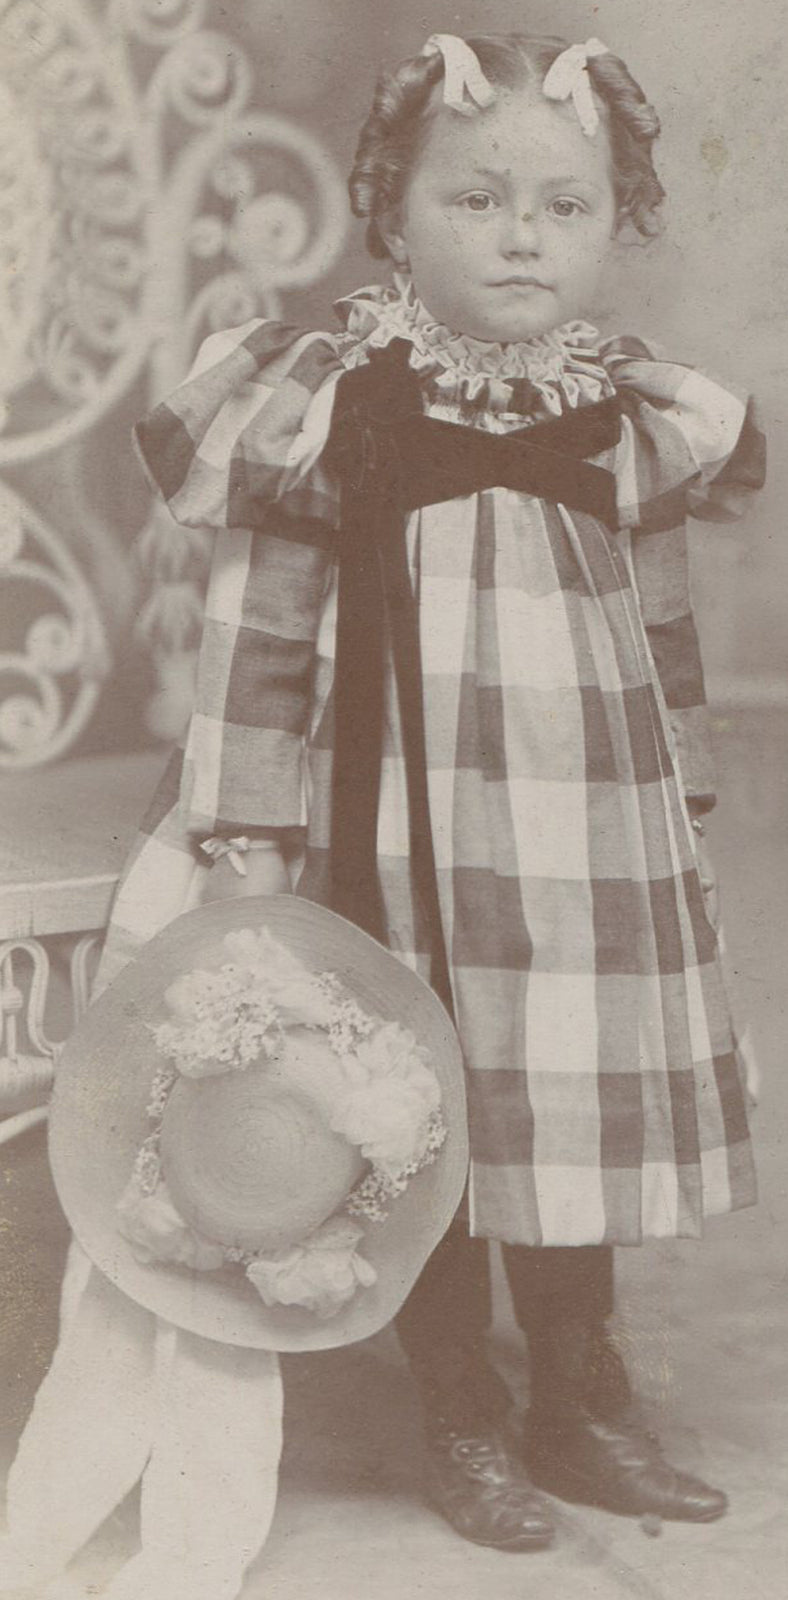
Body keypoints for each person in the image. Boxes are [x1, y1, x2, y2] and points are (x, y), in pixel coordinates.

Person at [86, 30, 769, 1558]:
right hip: (398, 822)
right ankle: (459, 1402)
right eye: (477, 200)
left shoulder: (624, 410)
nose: (524, 237)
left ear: (618, 224)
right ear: (392, 214)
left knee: (564, 1096)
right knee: (423, 1104)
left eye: (564, 206)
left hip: (582, 831)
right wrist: (249, 832)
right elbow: (262, 632)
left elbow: (659, 612)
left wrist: (683, 782)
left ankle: (581, 1395)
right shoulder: (336, 401)